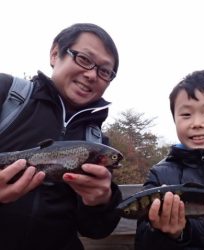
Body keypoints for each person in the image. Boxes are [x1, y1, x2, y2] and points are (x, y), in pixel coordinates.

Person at [0, 23, 122, 250]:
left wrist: (101, 201)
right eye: (84, 59)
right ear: (55, 54)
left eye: (104, 71)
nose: (92, 74)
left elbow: (96, 230)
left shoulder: (97, 143)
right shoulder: (6, 93)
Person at [135, 70, 204, 249]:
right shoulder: (160, 175)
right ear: (174, 121)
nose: (196, 123)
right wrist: (173, 234)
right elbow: (143, 242)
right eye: (186, 115)